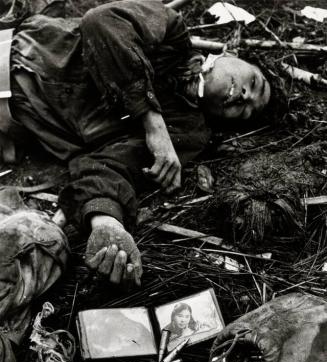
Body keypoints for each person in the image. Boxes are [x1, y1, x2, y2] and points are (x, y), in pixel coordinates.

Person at [2, 0, 271, 288]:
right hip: (20, 51)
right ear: (231, 54)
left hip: (15, 119)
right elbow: (101, 22)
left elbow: (110, 165)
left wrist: (105, 222)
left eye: (248, 110)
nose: (245, 95)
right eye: (253, 82)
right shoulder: (171, 33)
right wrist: (152, 124)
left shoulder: (186, 133)